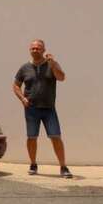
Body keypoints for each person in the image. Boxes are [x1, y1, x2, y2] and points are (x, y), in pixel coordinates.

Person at [12, 39, 71, 178]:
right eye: (33, 48)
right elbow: (15, 85)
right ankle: (33, 164)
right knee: (31, 137)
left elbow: (61, 77)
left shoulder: (51, 64)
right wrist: (22, 98)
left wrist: (53, 64)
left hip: (49, 108)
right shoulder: (24, 68)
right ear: (29, 50)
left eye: (38, 48)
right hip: (31, 109)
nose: (35, 50)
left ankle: (63, 167)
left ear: (44, 50)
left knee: (56, 137)